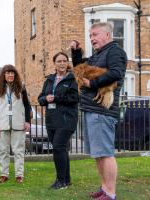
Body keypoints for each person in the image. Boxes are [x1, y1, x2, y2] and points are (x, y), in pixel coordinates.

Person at [71, 22, 127, 200]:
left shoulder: (114, 52)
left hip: (102, 110)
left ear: (108, 36)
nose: (92, 38)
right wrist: (76, 52)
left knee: (105, 153)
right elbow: (80, 69)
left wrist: (92, 83)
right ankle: (104, 188)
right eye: (90, 36)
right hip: (91, 109)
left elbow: (117, 73)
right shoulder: (98, 55)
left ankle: (110, 193)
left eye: (95, 35)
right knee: (98, 154)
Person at [38, 52, 79, 189]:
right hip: (51, 120)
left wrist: (56, 98)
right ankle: (66, 179)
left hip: (66, 120)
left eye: (64, 61)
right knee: (62, 149)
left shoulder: (73, 79)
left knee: (58, 147)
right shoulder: (49, 80)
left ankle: (60, 181)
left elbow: (74, 98)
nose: (62, 63)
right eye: (59, 61)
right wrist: (45, 99)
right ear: (54, 64)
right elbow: (40, 98)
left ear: (67, 63)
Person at [0, 64, 32, 184]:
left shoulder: (21, 87)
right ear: (4, 75)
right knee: (3, 151)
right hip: (3, 124)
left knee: (18, 151)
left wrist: (28, 121)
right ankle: (4, 174)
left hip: (18, 124)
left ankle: (19, 175)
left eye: (12, 73)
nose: (10, 75)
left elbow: (27, 105)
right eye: (8, 73)